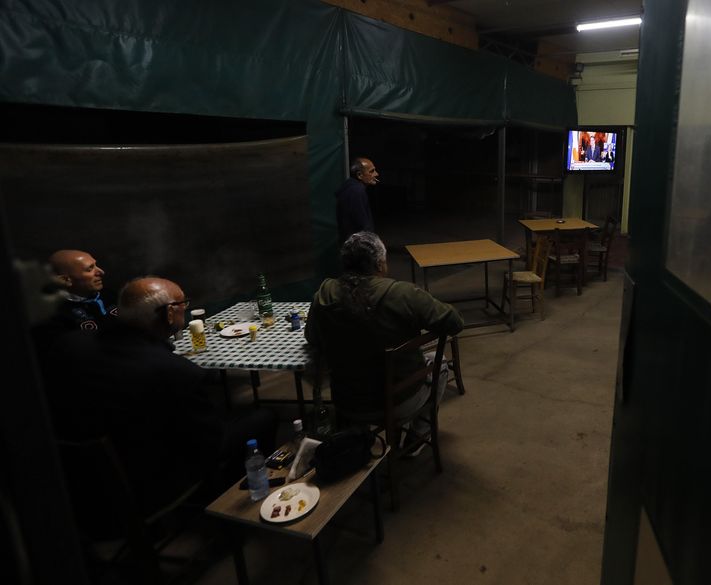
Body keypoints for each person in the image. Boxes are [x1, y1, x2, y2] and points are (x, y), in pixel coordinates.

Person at [42, 276, 276, 516]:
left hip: (77, 487)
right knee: (263, 417)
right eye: (184, 303)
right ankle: (229, 508)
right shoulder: (172, 370)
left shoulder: (68, 344)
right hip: (145, 488)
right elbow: (210, 444)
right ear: (169, 313)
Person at [305, 232, 464, 455]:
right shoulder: (402, 294)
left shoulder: (325, 293)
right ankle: (416, 439)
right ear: (380, 263)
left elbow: (311, 337)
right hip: (398, 401)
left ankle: (357, 437)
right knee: (441, 364)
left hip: (346, 401)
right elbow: (454, 322)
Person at [47, 249, 118, 330]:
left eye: (95, 265)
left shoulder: (110, 294)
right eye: (89, 269)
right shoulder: (57, 316)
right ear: (66, 280)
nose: (101, 272)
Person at [335, 157, 379, 245]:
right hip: (358, 246)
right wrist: (372, 244)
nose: (376, 174)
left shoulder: (350, 187)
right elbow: (362, 224)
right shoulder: (357, 191)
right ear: (359, 175)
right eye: (371, 171)